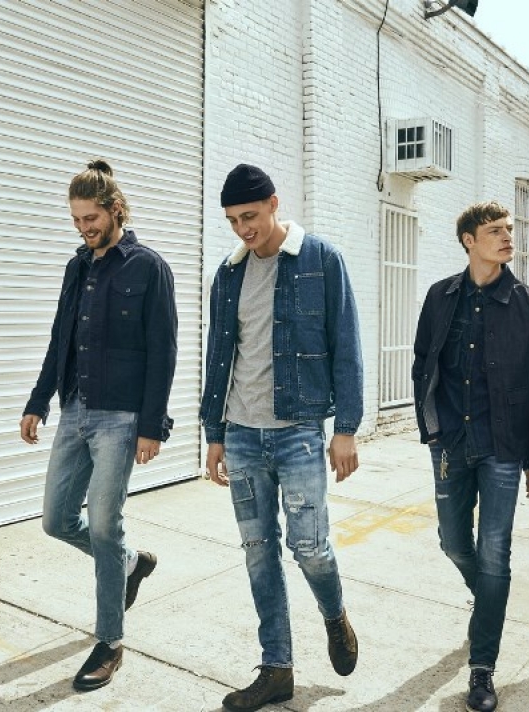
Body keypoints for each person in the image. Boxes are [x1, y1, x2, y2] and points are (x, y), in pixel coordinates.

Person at [200, 164, 363, 712]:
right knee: (257, 552)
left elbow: (346, 346)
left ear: (274, 203)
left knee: (309, 547)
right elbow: (219, 356)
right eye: (232, 220)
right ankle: (277, 667)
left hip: (298, 432)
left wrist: (346, 429)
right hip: (243, 434)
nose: (242, 228)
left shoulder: (321, 260)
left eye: (249, 216)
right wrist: (215, 433)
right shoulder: (229, 275)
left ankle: (334, 615)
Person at [20, 159, 177, 691]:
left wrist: (152, 425)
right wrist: (38, 401)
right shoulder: (77, 267)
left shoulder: (148, 267)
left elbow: (163, 351)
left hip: (121, 418)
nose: (84, 228)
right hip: (75, 409)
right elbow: (59, 338)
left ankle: (110, 641)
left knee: (106, 524)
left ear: (115, 210)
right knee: (56, 520)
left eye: (91, 219)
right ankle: (130, 564)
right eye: (76, 221)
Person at [411, 200, 529, 712]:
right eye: (495, 230)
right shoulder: (440, 296)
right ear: (469, 240)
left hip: (503, 448)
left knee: (495, 552)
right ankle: (488, 601)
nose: (507, 236)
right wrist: (432, 428)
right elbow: (422, 362)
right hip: (451, 443)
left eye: (509, 229)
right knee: (453, 542)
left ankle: (482, 667)